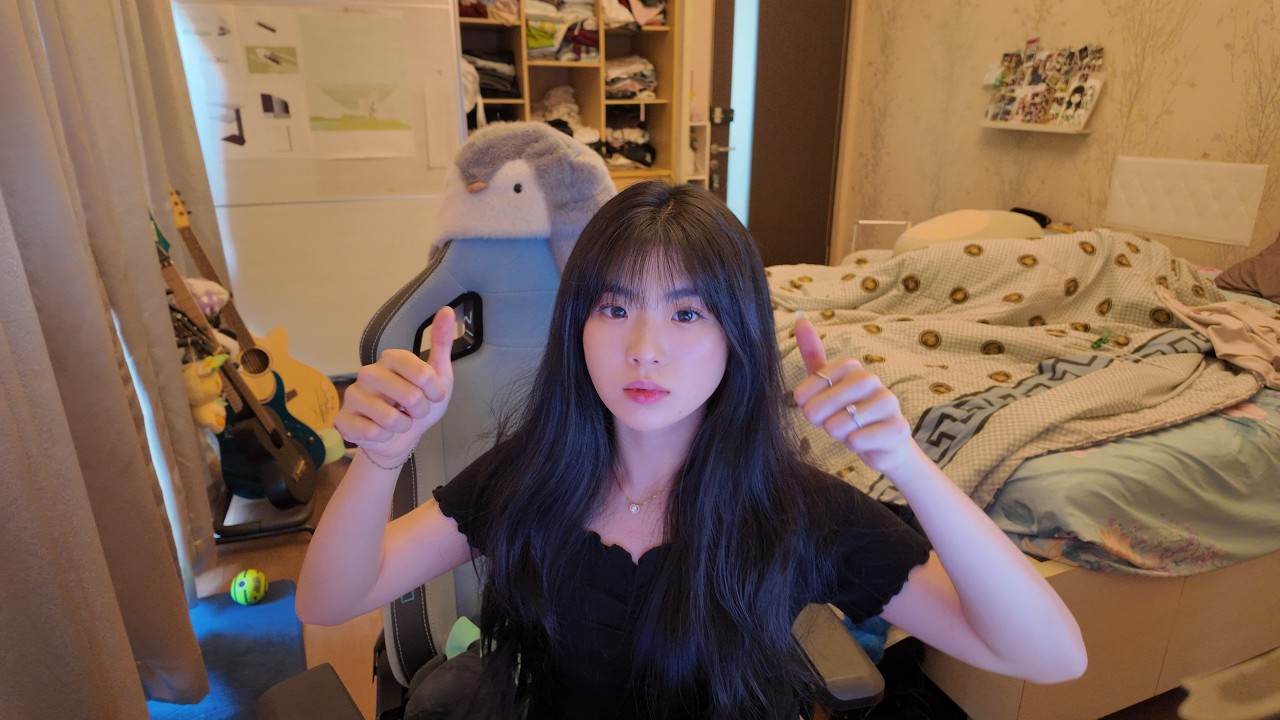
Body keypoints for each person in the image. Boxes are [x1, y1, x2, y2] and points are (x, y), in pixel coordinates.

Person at [296, 181, 1086, 719]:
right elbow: (330, 600)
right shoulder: (532, 473)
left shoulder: (798, 510)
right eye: (615, 308)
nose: (644, 348)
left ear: (737, 335)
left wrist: (908, 464)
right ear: (577, 328)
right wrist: (381, 459)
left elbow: (1051, 658)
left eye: (686, 313)